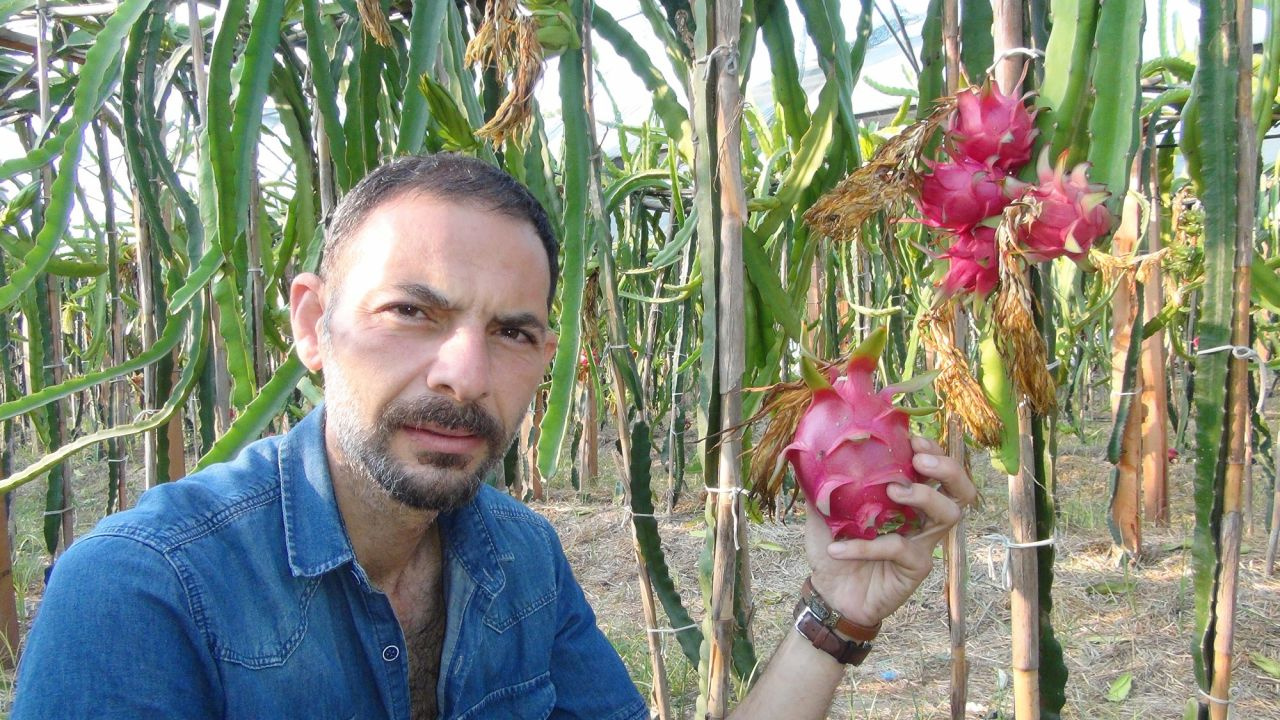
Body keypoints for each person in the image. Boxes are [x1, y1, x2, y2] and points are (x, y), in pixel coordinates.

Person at [11, 154, 976, 719]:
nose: (464, 375)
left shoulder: (520, 559)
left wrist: (838, 614)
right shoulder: (142, 593)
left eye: (511, 333)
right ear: (311, 324)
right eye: (412, 313)